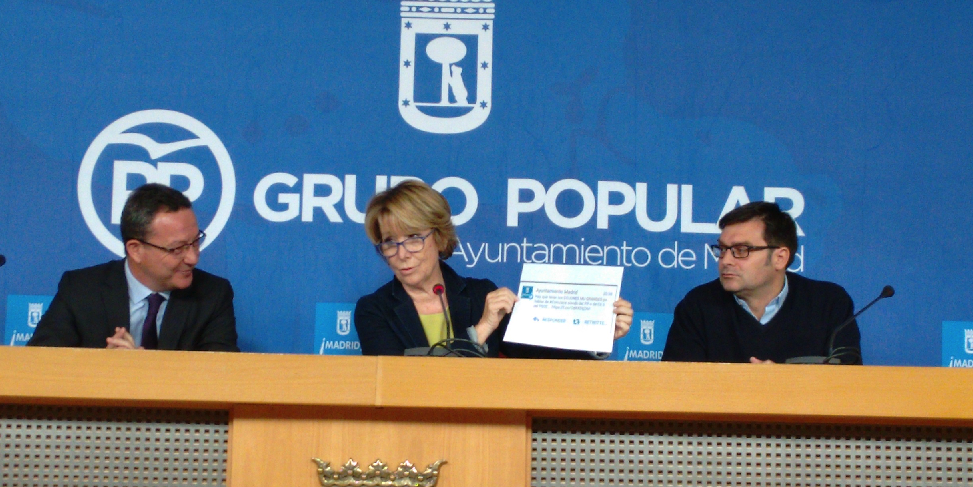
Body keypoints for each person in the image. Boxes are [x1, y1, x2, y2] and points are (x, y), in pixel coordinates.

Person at [354, 180, 633, 357]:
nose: (401, 254)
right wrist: (481, 330)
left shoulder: (479, 295)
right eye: (389, 243)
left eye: (414, 238)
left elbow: (539, 355)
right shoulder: (375, 310)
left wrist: (598, 335)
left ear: (439, 237)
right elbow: (399, 383)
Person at [29, 183, 239, 351]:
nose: (193, 258)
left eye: (195, 241)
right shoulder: (81, 289)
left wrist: (141, 371)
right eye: (177, 249)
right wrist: (100, 368)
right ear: (136, 249)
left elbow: (218, 377)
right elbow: (39, 365)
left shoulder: (212, 295)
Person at [662, 201, 859, 364]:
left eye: (741, 250)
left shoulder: (829, 303)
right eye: (722, 249)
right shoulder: (698, 305)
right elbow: (678, 390)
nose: (726, 260)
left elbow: (849, 386)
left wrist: (784, 383)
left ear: (780, 258)